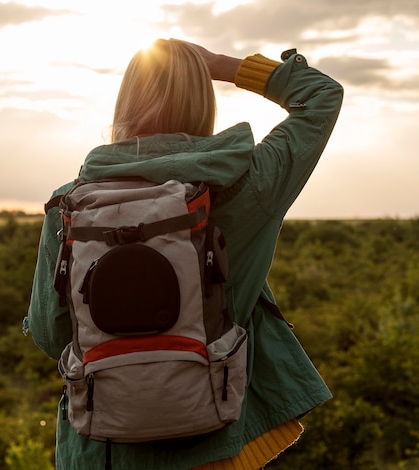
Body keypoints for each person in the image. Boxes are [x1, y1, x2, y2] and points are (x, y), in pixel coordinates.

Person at [25, 38, 343, 470]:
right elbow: (320, 96)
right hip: (210, 439)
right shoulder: (246, 185)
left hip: (100, 450)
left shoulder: (71, 204)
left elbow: (50, 334)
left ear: (124, 102)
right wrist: (219, 65)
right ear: (204, 101)